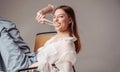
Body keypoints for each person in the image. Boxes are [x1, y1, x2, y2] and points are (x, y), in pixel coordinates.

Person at [0, 5, 81, 72]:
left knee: (1, 30)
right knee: (8, 25)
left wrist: (39, 65)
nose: (55, 19)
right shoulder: (59, 36)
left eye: (60, 17)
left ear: (70, 20)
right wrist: (41, 13)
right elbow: (52, 8)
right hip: (31, 57)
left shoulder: (67, 45)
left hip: (26, 67)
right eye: (54, 17)